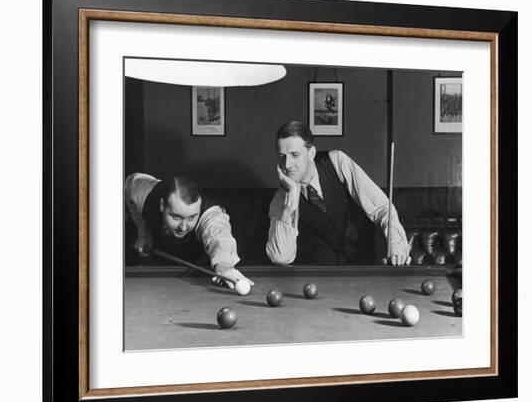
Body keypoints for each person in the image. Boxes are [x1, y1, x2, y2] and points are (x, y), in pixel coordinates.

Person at [266, 121, 410, 266]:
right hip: (325, 272)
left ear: (311, 153)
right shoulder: (281, 198)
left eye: (294, 155)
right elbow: (281, 258)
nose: (287, 165)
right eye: (282, 156)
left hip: (370, 259)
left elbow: (381, 208)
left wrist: (396, 247)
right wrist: (290, 203)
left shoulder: (337, 161)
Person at [125, 172, 253, 289]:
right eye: (176, 217)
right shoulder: (144, 193)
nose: (184, 227)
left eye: (192, 217)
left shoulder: (210, 215)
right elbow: (130, 183)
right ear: (162, 205)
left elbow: (220, 237)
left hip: (197, 266)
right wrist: (143, 232)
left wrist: (224, 266)